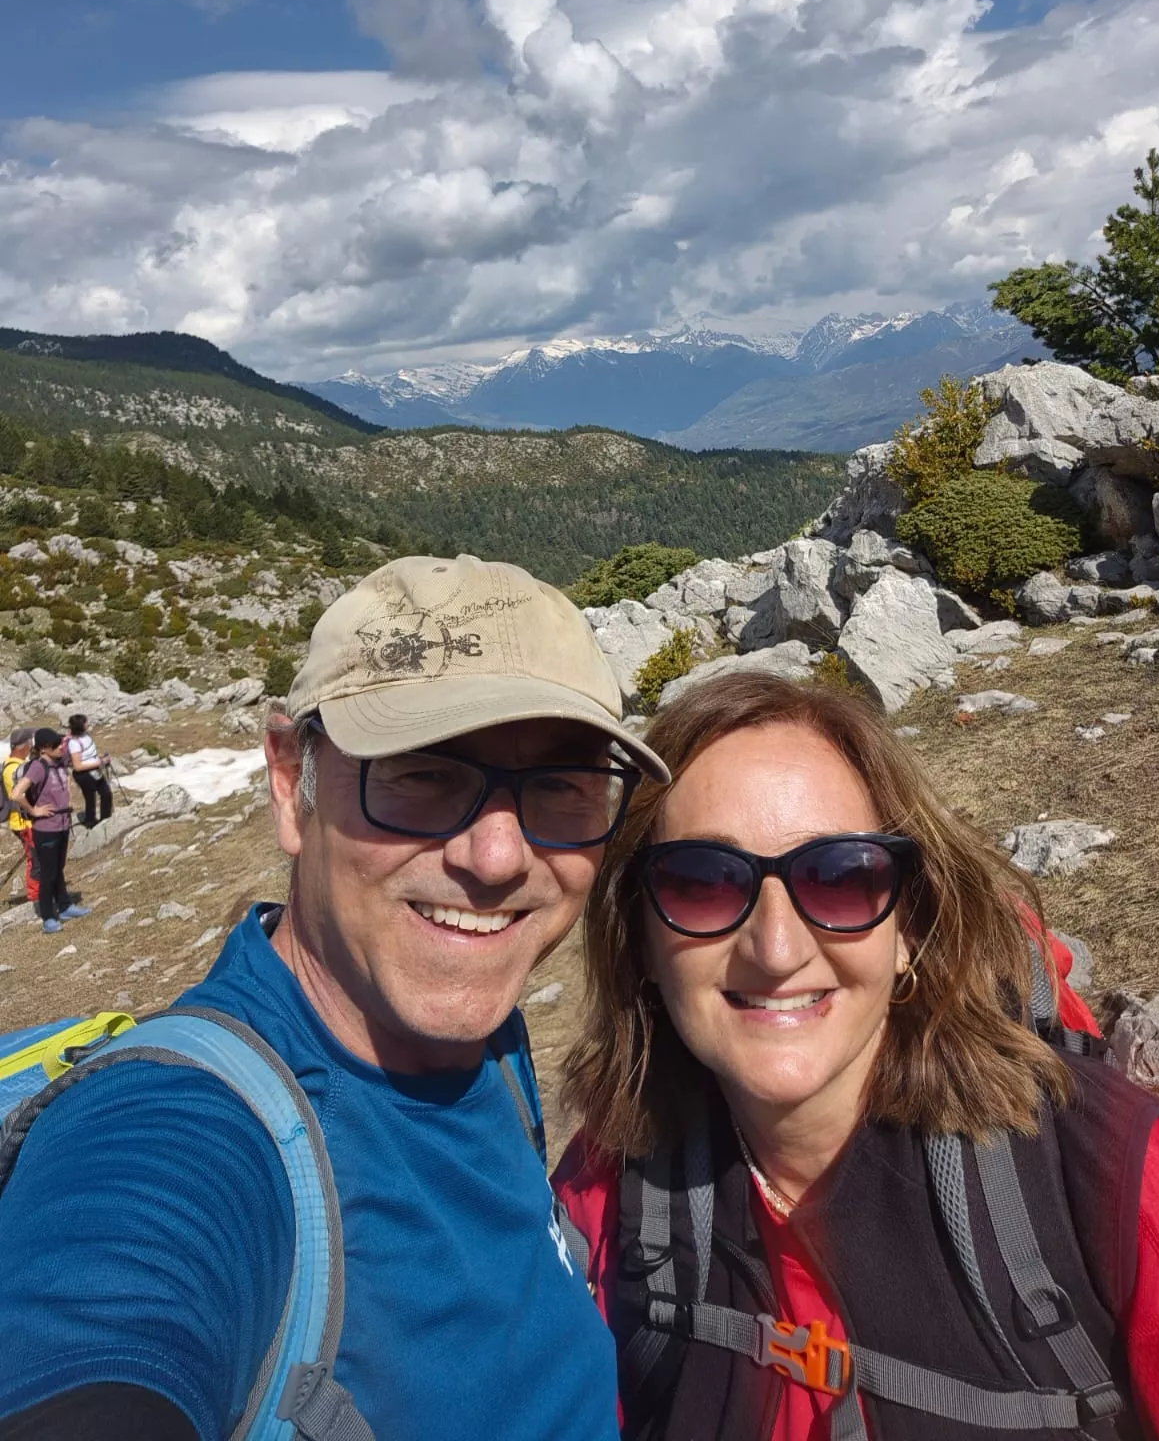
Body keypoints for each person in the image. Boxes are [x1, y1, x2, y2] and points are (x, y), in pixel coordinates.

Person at [0, 553, 669, 1441]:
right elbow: (105, 1320)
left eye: (563, 786)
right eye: (423, 774)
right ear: (290, 780)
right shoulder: (184, 1132)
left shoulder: (492, 1050)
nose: (499, 859)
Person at [555, 672, 1159, 1441]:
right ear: (643, 943)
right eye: (704, 882)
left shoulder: (1113, 1189)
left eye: (841, 877)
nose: (778, 949)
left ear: (909, 931)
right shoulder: (611, 1198)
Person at [11, 729, 90, 935]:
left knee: (58, 868)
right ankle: (48, 917)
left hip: (63, 824)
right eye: (57, 745)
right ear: (45, 748)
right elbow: (17, 793)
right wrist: (34, 810)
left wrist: (68, 801)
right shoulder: (39, 767)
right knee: (48, 873)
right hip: (45, 829)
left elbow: (66, 782)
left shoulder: (61, 762)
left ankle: (65, 907)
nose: (61, 747)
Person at [2, 727, 39, 909]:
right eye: (30, 742)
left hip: (23, 821)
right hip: (24, 822)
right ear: (24, 746)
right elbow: (20, 795)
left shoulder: (12, 765)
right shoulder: (14, 769)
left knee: (36, 857)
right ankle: (36, 897)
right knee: (36, 859)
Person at [65, 713, 113, 829]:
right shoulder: (74, 743)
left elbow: (88, 754)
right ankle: (90, 822)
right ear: (80, 726)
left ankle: (105, 820)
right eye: (86, 722)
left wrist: (99, 757)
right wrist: (100, 762)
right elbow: (77, 766)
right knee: (90, 799)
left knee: (106, 794)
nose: (88, 724)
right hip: (84, 775)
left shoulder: (86, 736)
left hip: (95, 770)